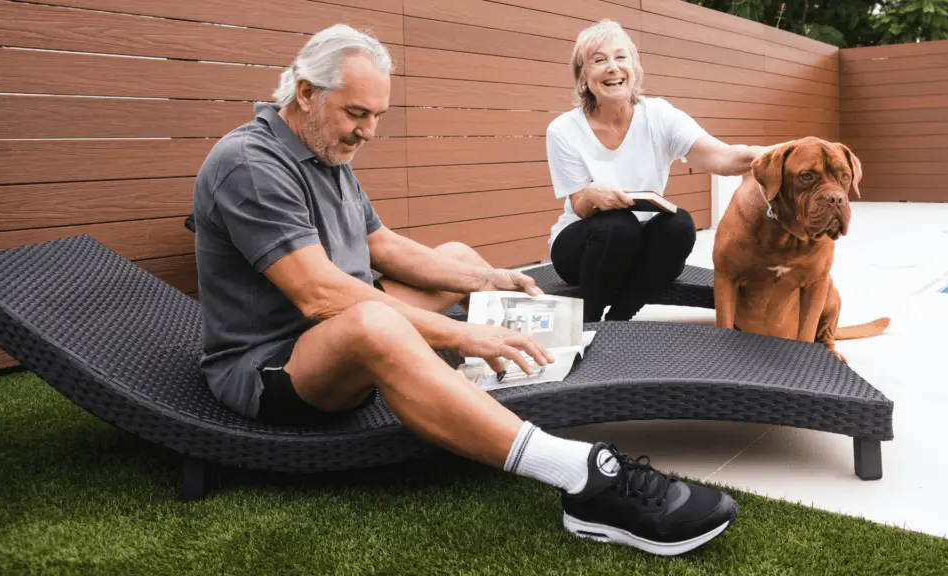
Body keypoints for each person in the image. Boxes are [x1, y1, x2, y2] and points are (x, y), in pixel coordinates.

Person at [192, 23, 737, 557]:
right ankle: (580, 477)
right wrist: (461, 331)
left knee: (455, 257)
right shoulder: (252, 164)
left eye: (376, 116)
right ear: (306, 94)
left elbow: (380, 244)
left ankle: (499, 373)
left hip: (333, 331)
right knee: (374, 324)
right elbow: (319, 296)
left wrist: (487, 279)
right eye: (357, 114)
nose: (369, 132)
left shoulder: (326, 153)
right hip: (274, 367)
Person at [547, 19, 784, 322]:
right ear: (583, 76)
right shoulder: (563, 130)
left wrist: (782, 153)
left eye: (621, 57)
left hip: (638, 245)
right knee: (619, 225)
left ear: (634, 66)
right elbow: (579, 206)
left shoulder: (659, 115)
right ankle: (589, 322)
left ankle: (619, 318)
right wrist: (592, 195)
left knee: (680, 224)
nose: (612, 67)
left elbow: (722, 156)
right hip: (581, 250)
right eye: (599, 60)